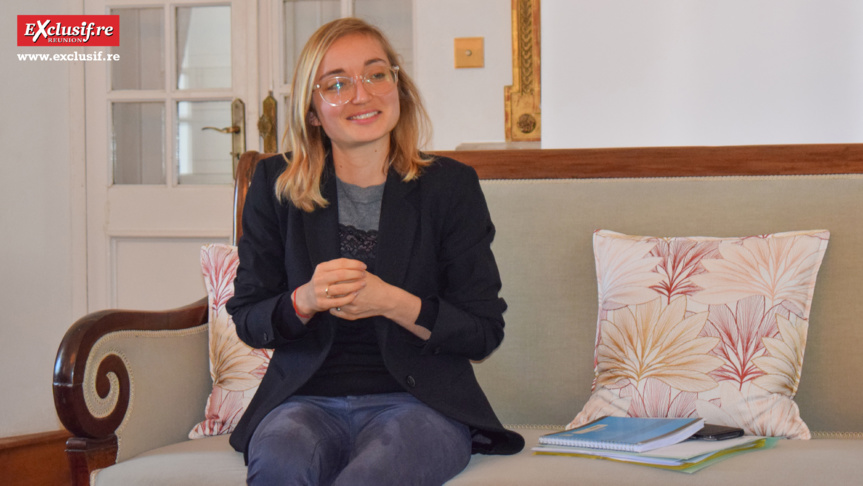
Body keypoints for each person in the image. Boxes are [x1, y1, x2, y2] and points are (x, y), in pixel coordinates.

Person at [226, 17, 524, 486]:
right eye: (337, 84)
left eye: (375, 74)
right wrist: (305, 300)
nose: (361, 95)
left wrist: (390, 301)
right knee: (281, 463)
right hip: (304, 402)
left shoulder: (449, 187)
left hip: (421, 406)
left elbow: (483, 331)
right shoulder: (275, 186)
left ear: (398, 88)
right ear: (311, 110)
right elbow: (249, 316)